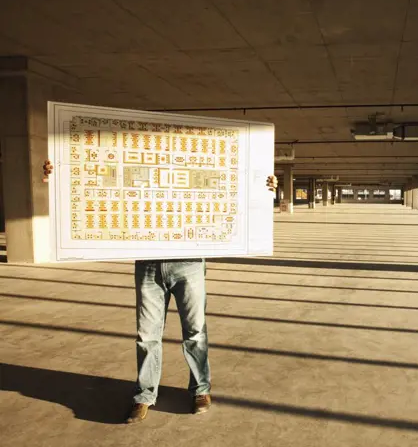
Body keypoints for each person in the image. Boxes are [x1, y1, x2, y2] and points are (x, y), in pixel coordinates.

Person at [42, 160, 277, 423]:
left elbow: (234, 197)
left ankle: (201, 389)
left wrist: (263, 188)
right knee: (147, 334)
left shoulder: (197, 174)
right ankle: (144, 394)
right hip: (148, 263)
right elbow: (97, 188)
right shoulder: (134, 174)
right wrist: (60, 175)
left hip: (189, 262)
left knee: (195, 331)